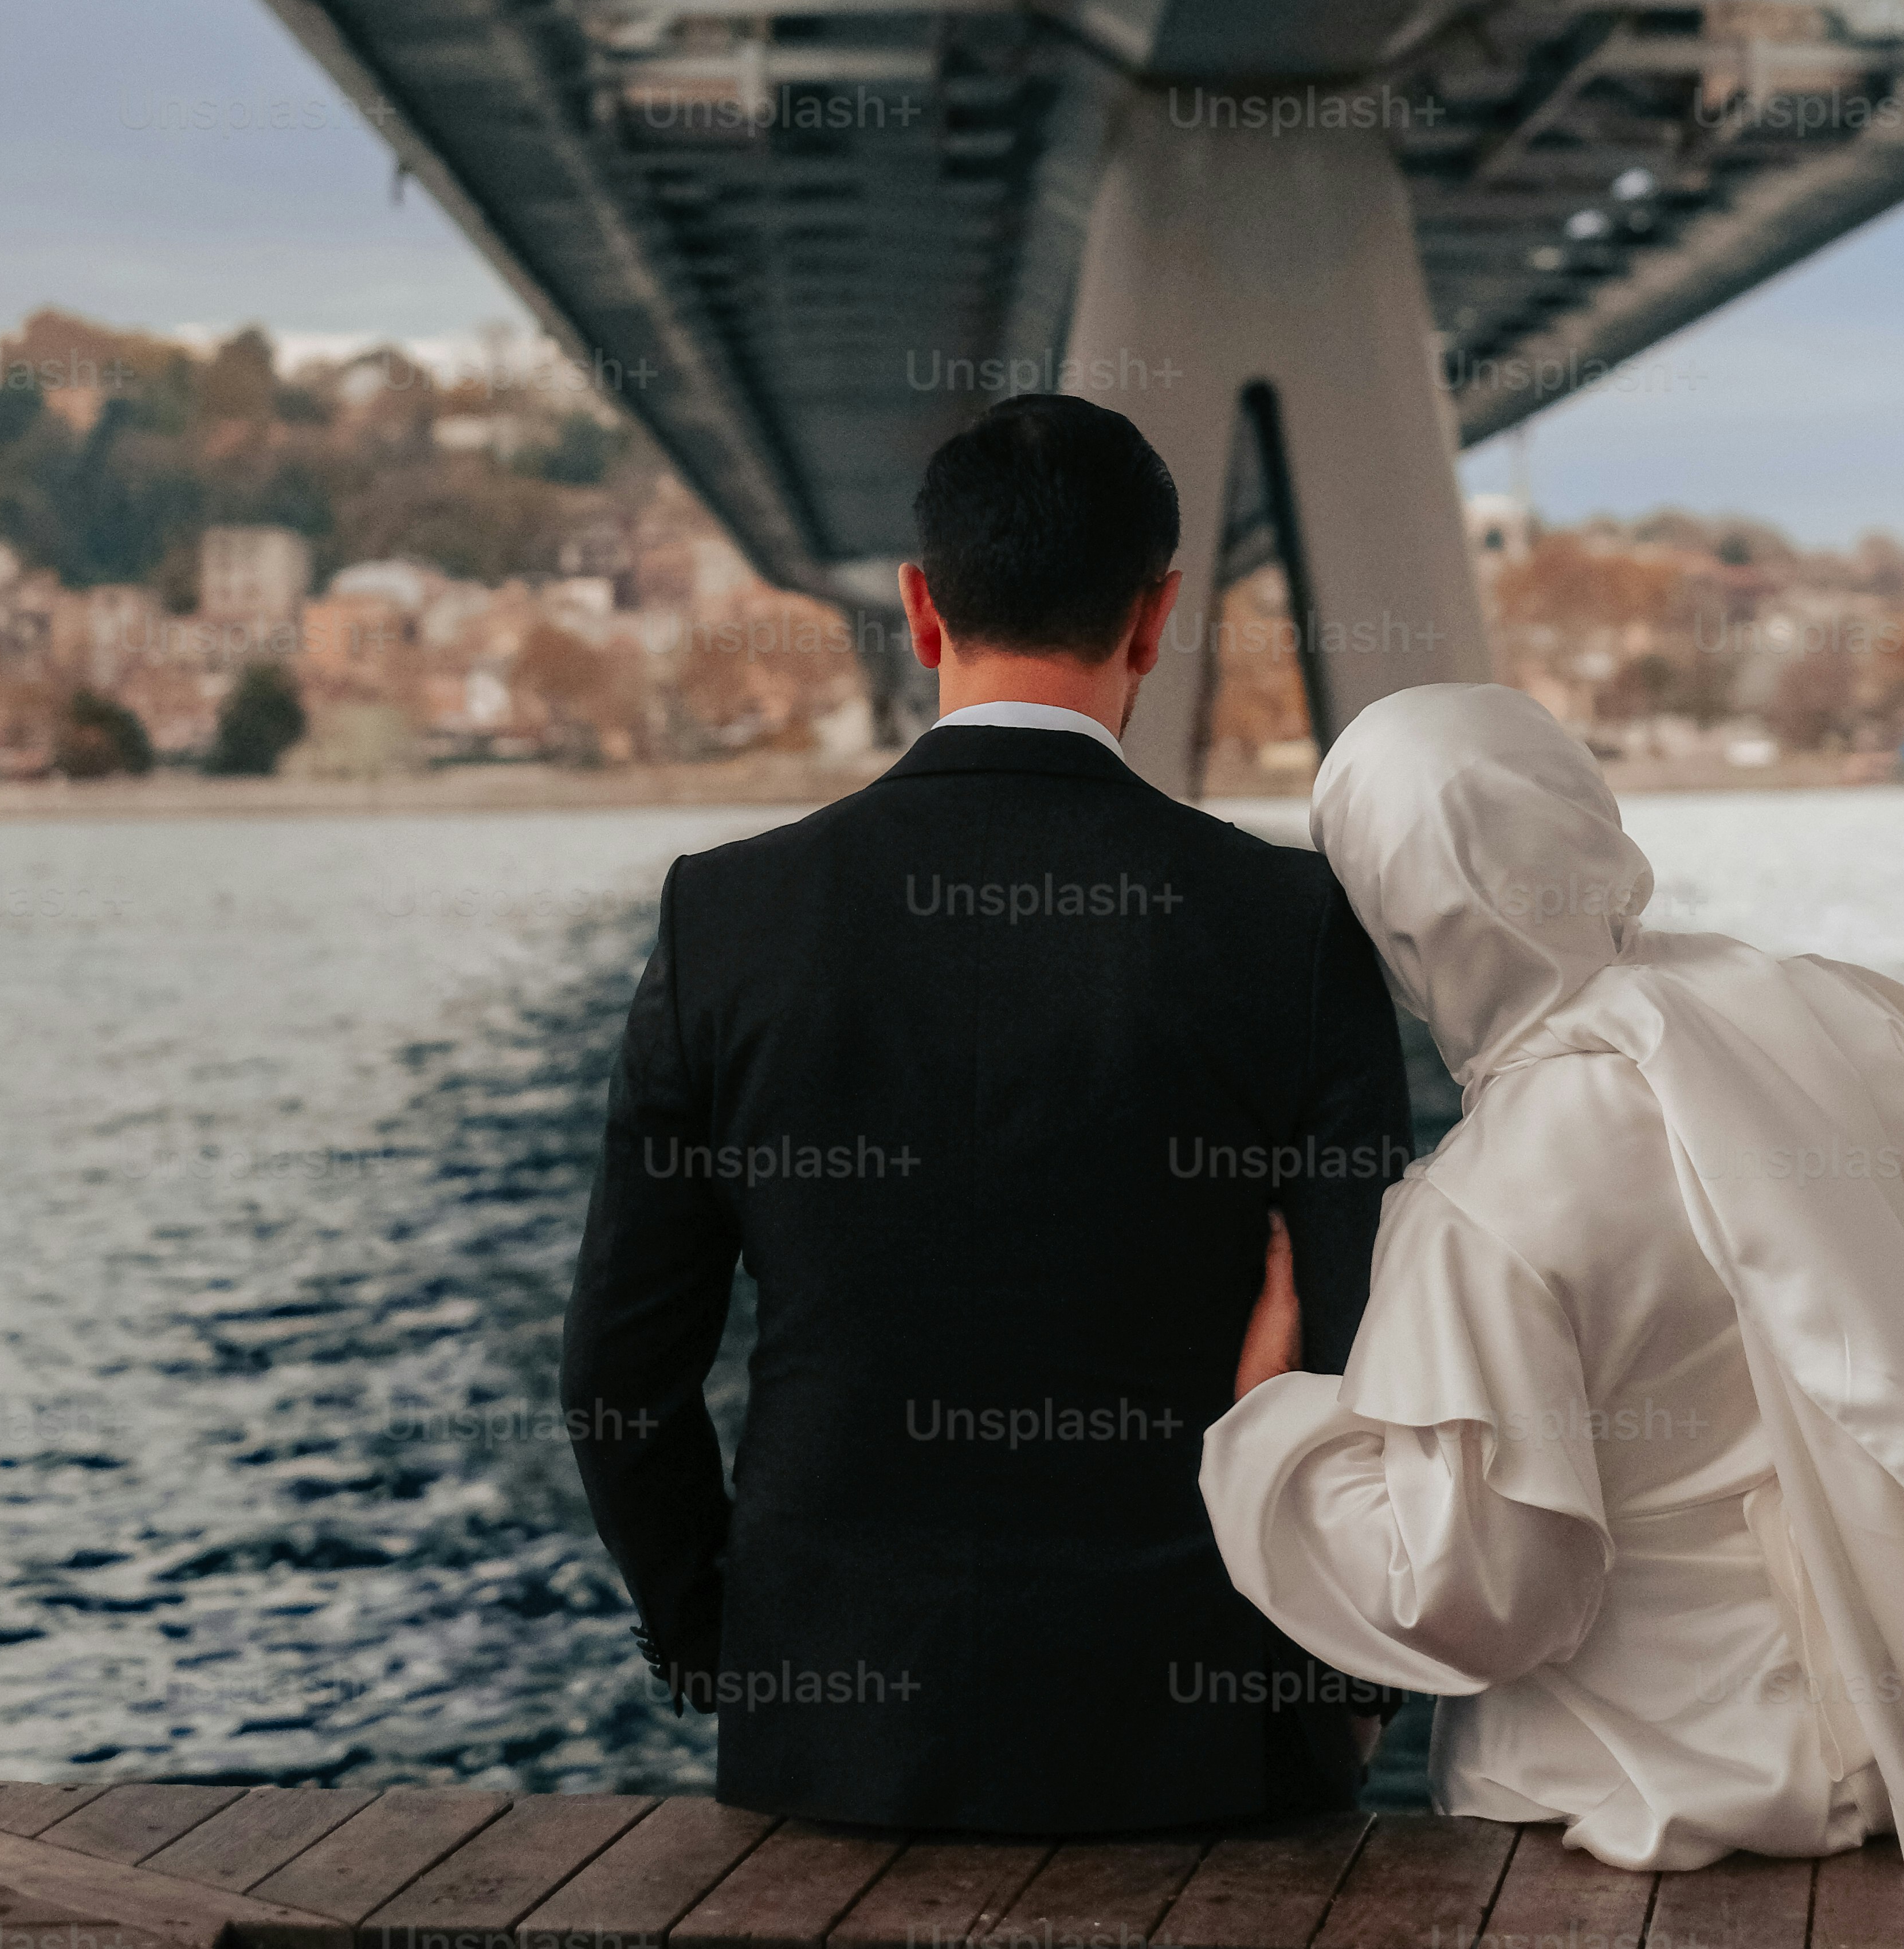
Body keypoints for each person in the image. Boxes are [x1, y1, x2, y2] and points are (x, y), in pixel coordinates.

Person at [1201, 681, 1904, 1870]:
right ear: (1591, 823)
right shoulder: (1855, 1028)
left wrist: (1266, 1427)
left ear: (1392, 924)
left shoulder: (1479, 1207)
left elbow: (1480, 1600)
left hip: (1613, 1798)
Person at [561, 393, 1411, 1834]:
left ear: (918, 607)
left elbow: (618, 1372)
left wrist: (726, 1640)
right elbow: (1367, 1345)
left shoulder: (732, 917)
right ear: (1154, 618)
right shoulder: (1291, 926)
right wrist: (1335, 1666)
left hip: (830, 1734)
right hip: (1197, 1734)